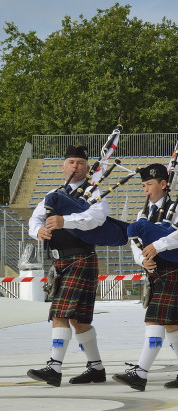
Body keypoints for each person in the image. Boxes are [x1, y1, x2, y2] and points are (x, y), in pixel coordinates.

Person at [26, 145, 111, 387]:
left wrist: (66, 220)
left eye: (80, 163)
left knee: (60, 313)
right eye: (71, 162)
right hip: (60, 260)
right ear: (63, 166)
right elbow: (35, 219)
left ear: (87, 168)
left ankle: (54, 368)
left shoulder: (93, 192)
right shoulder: (54, 193)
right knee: (79, 320)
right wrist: (38, 230)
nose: (75, 166)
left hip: (81, 258)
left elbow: (96, 219)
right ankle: (96, 369)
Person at [113, 163, 178, 392]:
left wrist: (157, 246)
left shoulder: (174, 208)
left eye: (149, 184)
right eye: (143, 185)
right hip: (154, 272)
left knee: (155, 321)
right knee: (172, 325)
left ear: (163, 184)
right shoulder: (143, 213)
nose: (146, 190)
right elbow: (134, 242)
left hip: (171, 270)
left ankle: (140, 373)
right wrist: (143, 259)